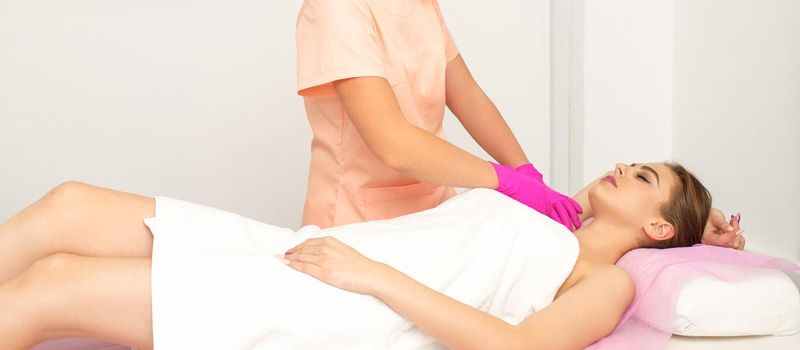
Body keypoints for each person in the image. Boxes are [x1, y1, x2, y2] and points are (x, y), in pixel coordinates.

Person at [0, 162, 745, 349]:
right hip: (310, 253)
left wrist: (375, 278)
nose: (622, 166)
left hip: (347, 304)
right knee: (68, 202)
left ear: (654, 227)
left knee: (54, 284)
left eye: (642, 177)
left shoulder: (604, 279)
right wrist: (705, 225)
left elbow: (517, 348)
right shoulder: (547, 214)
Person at [295, 0, 582, 230]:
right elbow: (394, 144)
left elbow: (468, 96)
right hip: (359, 221)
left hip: (436, 209)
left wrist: (523, 168)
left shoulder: (423, 4)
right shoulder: (335, 7)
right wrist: (504, 179)